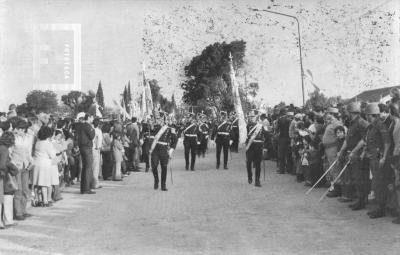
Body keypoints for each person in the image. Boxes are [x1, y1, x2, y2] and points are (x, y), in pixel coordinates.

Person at [358, 103, 391, 219]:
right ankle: (378, 207)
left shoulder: (380, 125)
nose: (366, 116)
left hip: (379, 158)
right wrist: (364, 152)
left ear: (370, 115)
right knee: (375, 184)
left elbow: (387, 143)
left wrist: (384, 157)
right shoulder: (371, 126)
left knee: (379, 183)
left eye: (367, 114)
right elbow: (368, 141)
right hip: (372, 158)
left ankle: (381, 209)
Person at [337, 102, 370, 211]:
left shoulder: (362, 123)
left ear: (351, 112)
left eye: (347, 111)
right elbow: (348, 139)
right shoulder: (352, 123)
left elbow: (363, 140)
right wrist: (342, 150)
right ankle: (360, 200)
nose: (346, 113)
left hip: (360, 155)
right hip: (352, 154)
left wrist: (354, 151)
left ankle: (362, 201)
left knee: (360, 178)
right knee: (356, 178)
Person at [9, 118, 33, 220]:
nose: (20, 131)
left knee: (25, 189)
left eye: (22, 129)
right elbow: (9, 153)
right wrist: (13, 164)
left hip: (25, 166)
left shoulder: (28, 138)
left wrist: (31, 162)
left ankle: (23, 210)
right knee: (18, 189)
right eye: (18, 129)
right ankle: (17, 213)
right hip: (16, 166)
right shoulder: (13, 138)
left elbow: (28, 152)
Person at [149, 111, 178, 191]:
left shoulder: (170, 129)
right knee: (154, 166)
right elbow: (150, 138)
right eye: (157, 119)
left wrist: (171, 150)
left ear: (164, 119)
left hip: (164, 149)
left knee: (164, 167)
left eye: (160, 119)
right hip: (155, 149)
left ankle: (163, 185)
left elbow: (175, 140)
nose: (158, 120)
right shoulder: (153, 128)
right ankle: (156, 180)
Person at [32, 126, 57, 207]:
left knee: (37, 183)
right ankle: (45, 201)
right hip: (45, 164)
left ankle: (37, 199)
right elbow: (52, 155)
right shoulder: (48, 143)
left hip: (36, 163)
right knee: (44, 184)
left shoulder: (37, 142)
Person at [323, 107, 343, 197]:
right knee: (332, 169)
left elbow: (341, 135)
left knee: (335, 169)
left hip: (333, 149)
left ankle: (337, 189)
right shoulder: (330, 123)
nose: (327, 115)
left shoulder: (336, 123)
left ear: (333, 114)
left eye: (329, 113)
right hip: (329, 149)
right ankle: (335, 187)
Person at [245, 109, 268, 187]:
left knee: (258, 164)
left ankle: (257, 181)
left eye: (253, 116)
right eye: (250, 116)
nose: (251, 118)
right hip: (251, 146)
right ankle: (250, 176)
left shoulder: (262, 125)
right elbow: (246, 135)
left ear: (257, 116)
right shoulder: (248, 125)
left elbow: (266, 136)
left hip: (259, 146)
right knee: (248, 162)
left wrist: (265, 147)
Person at [74, 112, 96, 194]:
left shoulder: (81, 126)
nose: (93, 119)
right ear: (89, 117)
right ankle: (86, 188)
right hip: (87, 147)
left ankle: (84, 188)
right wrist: (93, 129)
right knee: (88, 167)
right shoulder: (87, 126)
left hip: (82, 147)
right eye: (92, 118)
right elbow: (92, 136)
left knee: (85, 168)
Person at [0, 131, 17, 229]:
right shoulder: (5, 149)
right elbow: (2, 164)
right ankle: (4, 222)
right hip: (2, 176)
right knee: (3, 199)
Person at [276, 108, 293, 174]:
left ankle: (282, 170)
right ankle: (289, 169)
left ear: (281, 113)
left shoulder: (279, 120)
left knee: (281, 154)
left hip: (282, 138)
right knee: (288, 154)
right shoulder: (289, 120)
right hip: (288, 138)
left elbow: (277, 129)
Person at [92, 118, 102, 188]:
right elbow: (99, 141)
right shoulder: (98, 131)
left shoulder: (91, 130)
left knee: (91, 167)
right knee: (96, 167)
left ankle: (91, 182)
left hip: (90, 149)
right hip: (95, 149)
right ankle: (95, 183)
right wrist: (98, 148)